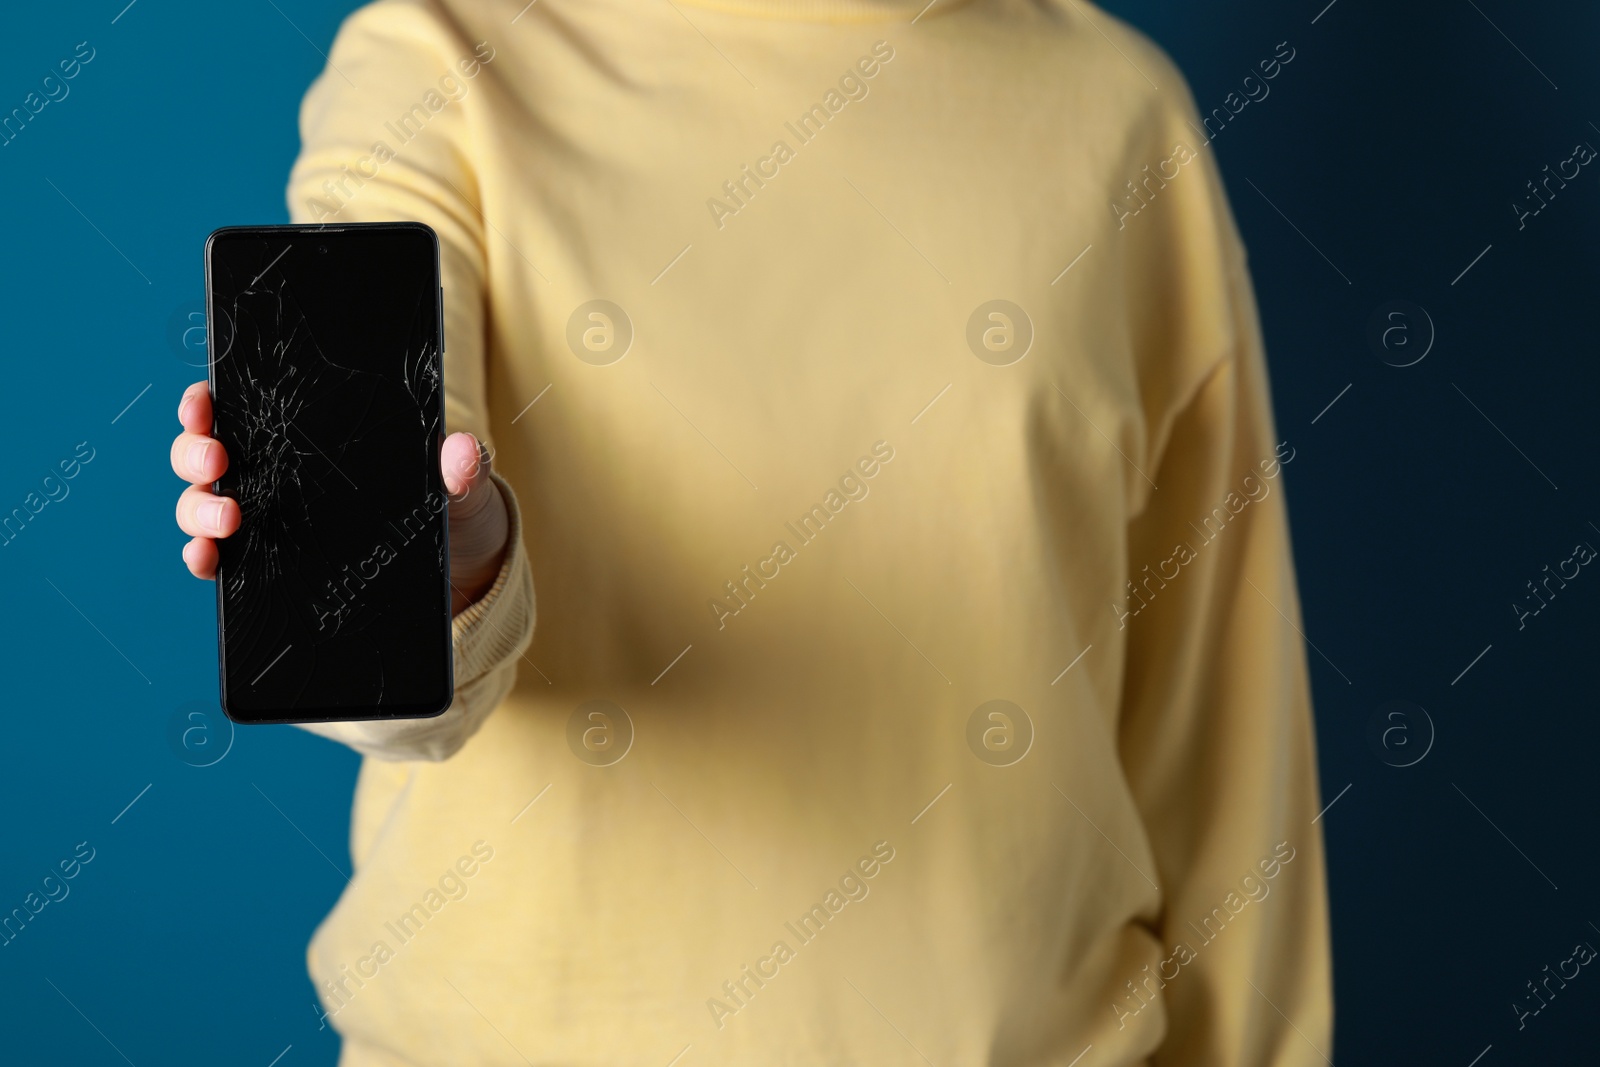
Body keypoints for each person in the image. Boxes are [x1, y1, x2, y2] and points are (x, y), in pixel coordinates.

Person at [170, 0, 1332, 1061]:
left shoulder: (1118, 111)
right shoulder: (434, 60)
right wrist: (443, 564)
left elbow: (1223, 727)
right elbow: (368, 653)